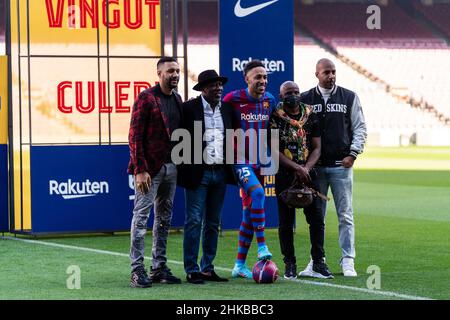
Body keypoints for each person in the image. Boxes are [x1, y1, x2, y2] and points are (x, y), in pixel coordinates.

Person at [299, 58, 367, 277]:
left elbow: (360, 127)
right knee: (317, 218)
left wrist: (353, 154)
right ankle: (316, 260)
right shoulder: (305, 99)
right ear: (316, 74)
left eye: (334, 72)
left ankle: (348, 259)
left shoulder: (349, 97)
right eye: (326, 72)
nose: (331, 76)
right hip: (316, 168)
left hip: (341, 166)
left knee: (345, 215)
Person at [269, 81, 334, 279]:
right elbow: (273, 150)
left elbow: (317, 147)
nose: (294, 95)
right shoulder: (275, 117)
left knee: (316, 219)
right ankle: (290, 263)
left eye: (296, 92)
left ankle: (318, 262)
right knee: (286, 223)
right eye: (289, 92)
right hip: (284, 174)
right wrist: (296, 167)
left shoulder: (310, 114)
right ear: (281, 96)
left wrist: (305, 168)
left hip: (309, 174)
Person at [128, 57, 183, 287]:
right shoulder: (146, 98)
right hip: (150, 170)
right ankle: (137, 269)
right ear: (159, 73)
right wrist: (140, 169)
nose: (175, 75)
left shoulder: (178, 98)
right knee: (141, 218)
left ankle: (158, 267)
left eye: (178, 71)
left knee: (164, 219)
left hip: (172, 167)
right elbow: (134, 135)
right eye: (170, 71)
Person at [178, 70, 235, 284]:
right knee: (194, 221)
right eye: (213, 85)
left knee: (213, 223)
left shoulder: (228, 109)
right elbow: (178, 139)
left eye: (220, 84)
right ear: (203, 88)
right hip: (198, 174)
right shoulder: (189, 108)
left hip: (220, 172)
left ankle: (207, 268)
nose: (218, 88)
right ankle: (192, 269)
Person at [223, 60, 277, 278]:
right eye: (258, 77)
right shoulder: (233, 99)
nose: (262, 81)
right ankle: (262, 246)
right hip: (239, 160)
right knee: (257, 193)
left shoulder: (270, 100)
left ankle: (239, 265)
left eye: (264, 77)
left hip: (260, 162)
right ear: (247, 79)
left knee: (248, 212)